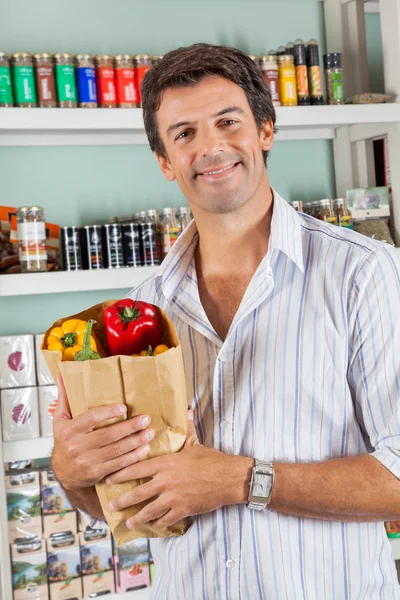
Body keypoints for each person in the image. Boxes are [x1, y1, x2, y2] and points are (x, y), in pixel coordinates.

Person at [52, 43, 400, 599]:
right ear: (165, 161)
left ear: (265, 129)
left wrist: (240, 480)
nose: (211, 147)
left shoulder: (362, 272)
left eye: (228, 121)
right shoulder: (136, 312)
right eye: (184, 133)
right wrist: (75, 476)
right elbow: (128, 505)